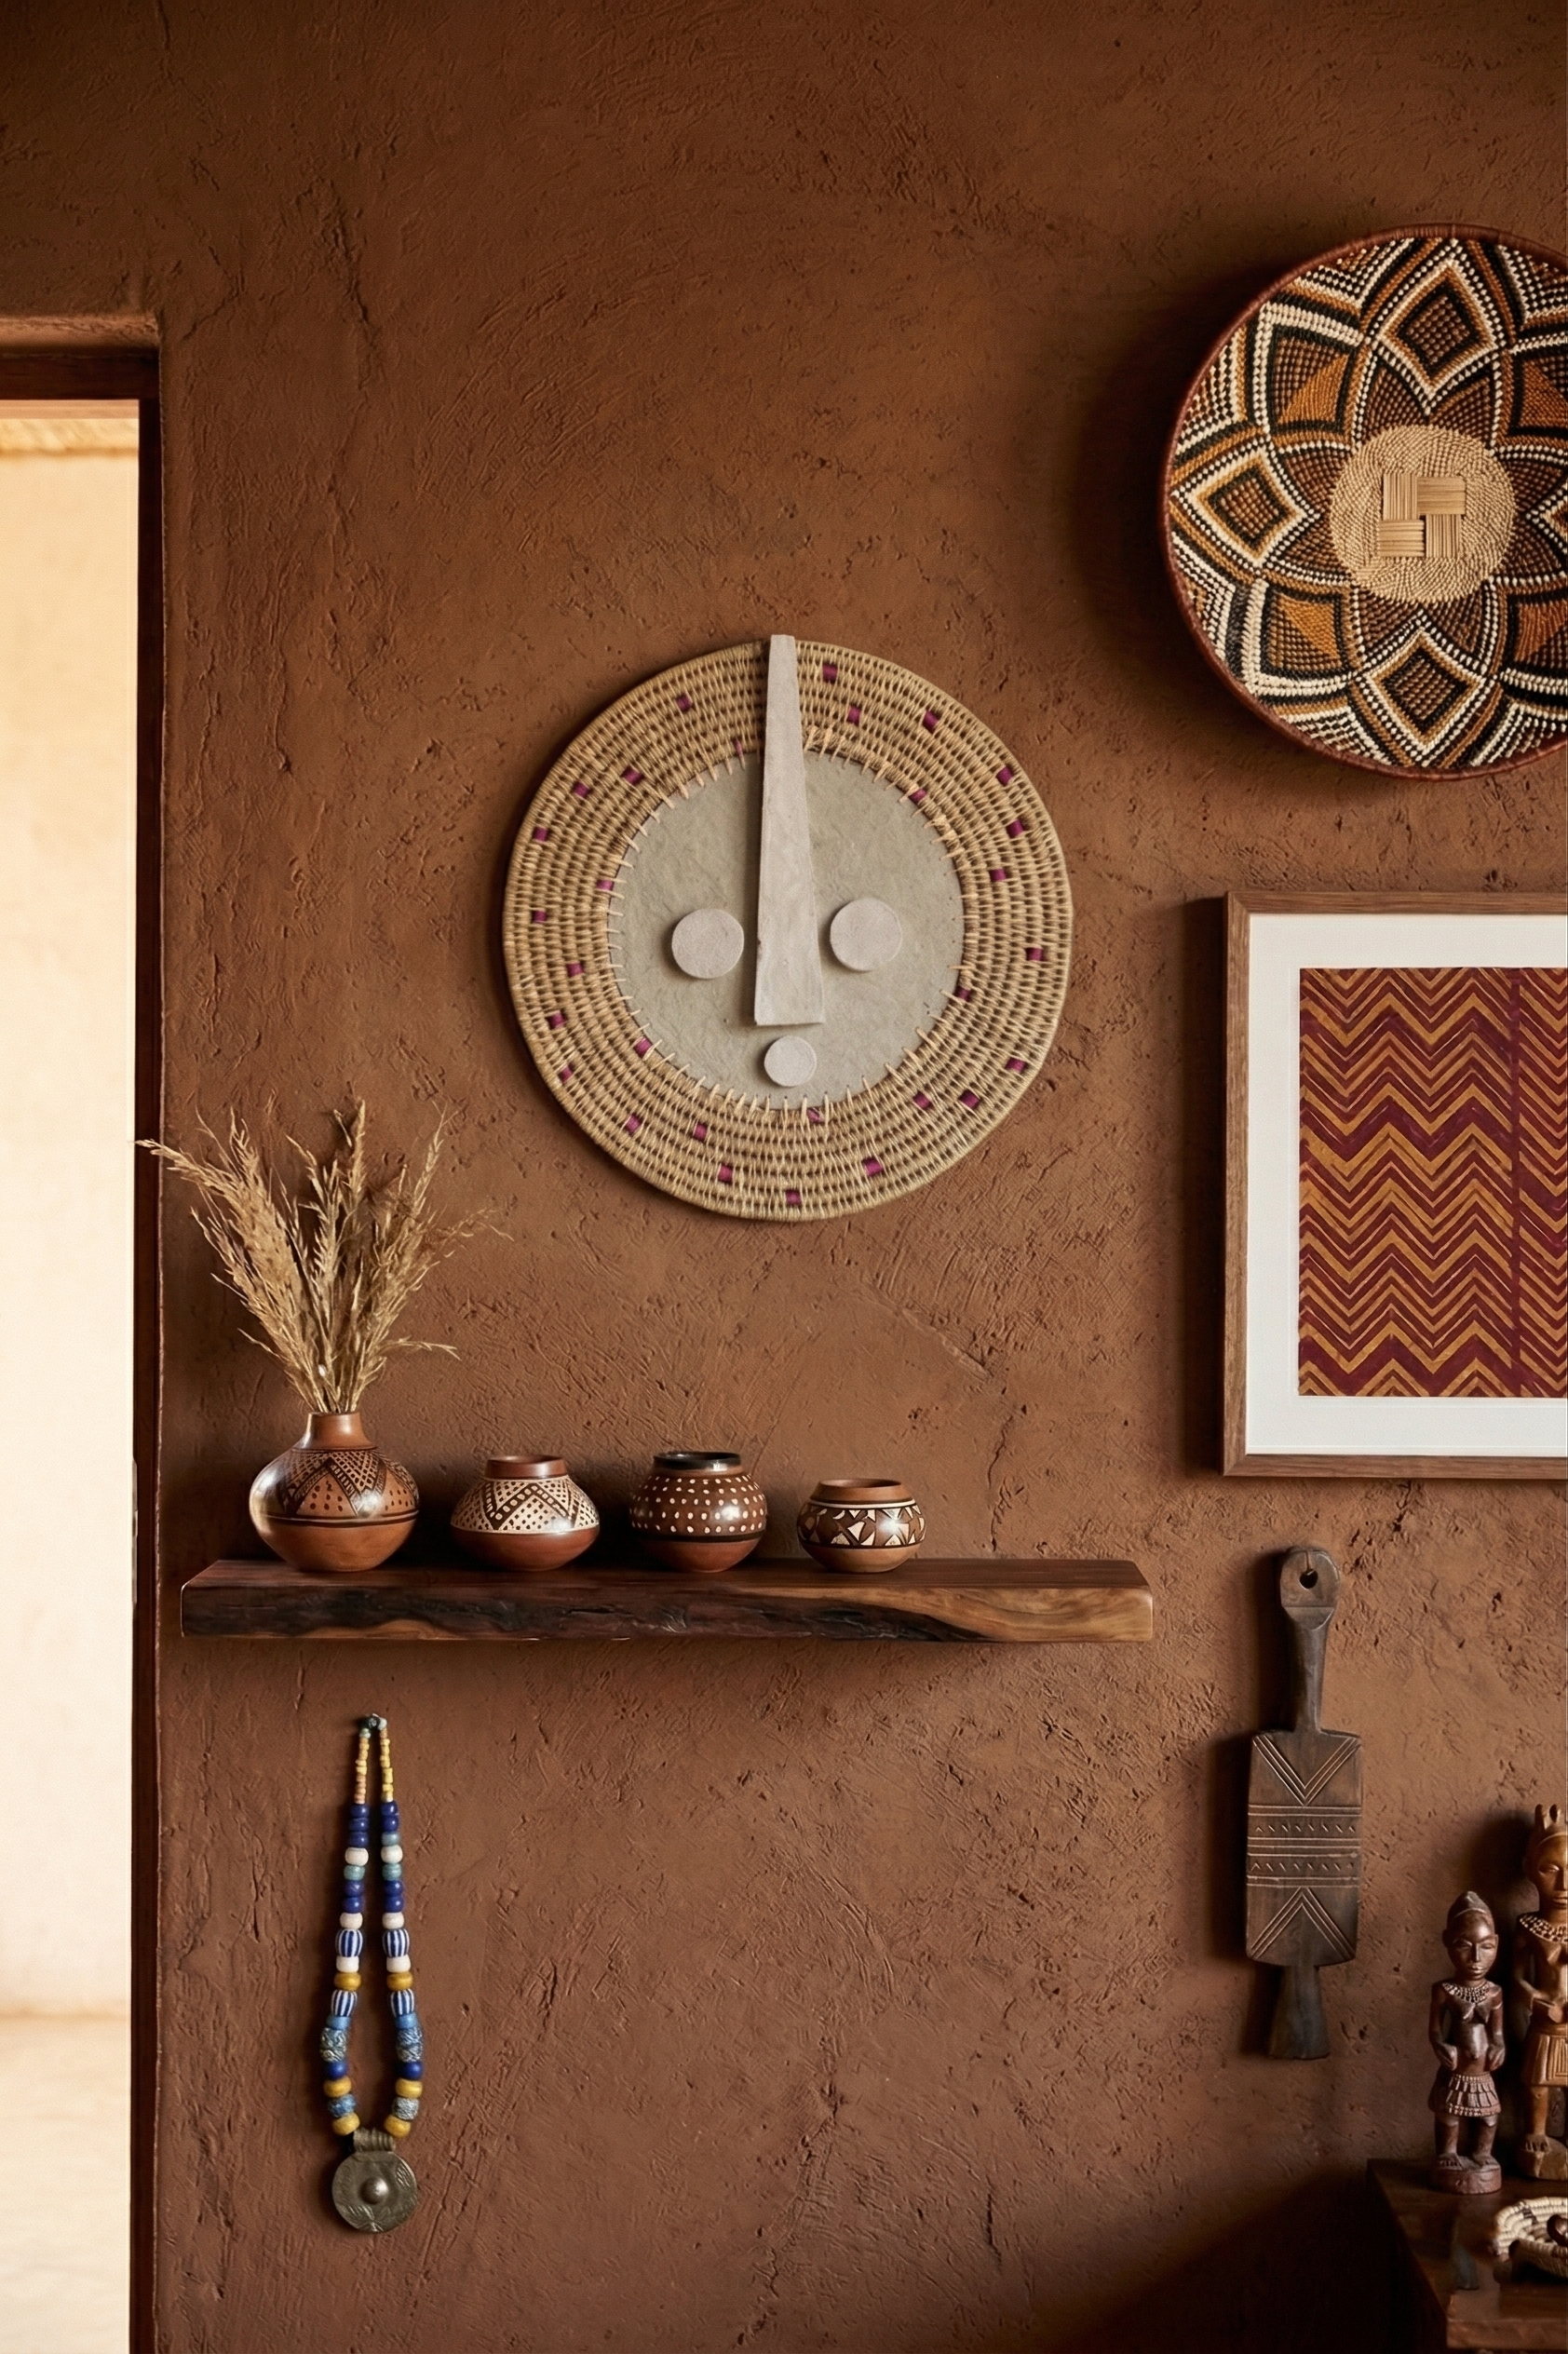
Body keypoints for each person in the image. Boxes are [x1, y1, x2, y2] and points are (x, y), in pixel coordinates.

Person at [1428, 1890, 1505, 2192]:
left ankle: (1482, 2155)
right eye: (1464, 1946)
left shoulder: (1495, 1993)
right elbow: (1434, 2029)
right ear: (1447, 1941)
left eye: (1486, 1947)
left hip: (1482, 2071)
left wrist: (1499, 2047)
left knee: (1488, 2117)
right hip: (1456, 2068)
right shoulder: (1444, 1990)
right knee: (1448, 2113)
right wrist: (1440, 2046)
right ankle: (1447, 2154)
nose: (1476, 1958)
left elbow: (1497, 2034)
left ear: (1496, 1944)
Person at [1517, 1804, 1568, 2180]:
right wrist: (1535, 2000)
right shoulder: (1529, 1927)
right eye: (1551, 1870)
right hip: (1545, 2020)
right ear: (1528, 1870)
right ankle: (1537, 2133)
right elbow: (1517, 1978)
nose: (1564, 1885)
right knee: (1539, 2082)